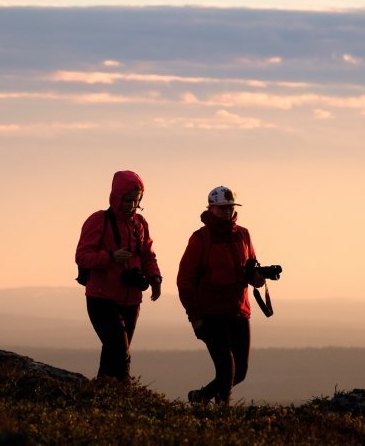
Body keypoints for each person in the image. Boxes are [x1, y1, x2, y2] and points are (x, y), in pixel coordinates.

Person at [176, 185, 266, 405]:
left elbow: (250, 268)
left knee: (240, 372)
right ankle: (223, 416)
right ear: (211, 208)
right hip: (212, 314)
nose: (227, 212)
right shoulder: (200, 238)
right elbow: (185, 280)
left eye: (230, 208)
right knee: (226, 370)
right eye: (222, 208)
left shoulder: (243, 234)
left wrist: (258, 278)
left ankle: (201, 397)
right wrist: (195, 318)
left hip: (239, 311)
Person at [75, 170, 162, 382]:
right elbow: (82, 256)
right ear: (116, 197)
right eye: (128, 200)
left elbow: (148, 255)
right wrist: (111, 256)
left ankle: (102, 397)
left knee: (112, 353)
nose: (132, 206)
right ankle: (124, 399)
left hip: (131, 300)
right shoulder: (98, 220)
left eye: (136, 201)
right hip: (101, 298)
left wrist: (155, 278)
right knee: (120, 353)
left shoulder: (140, 224)